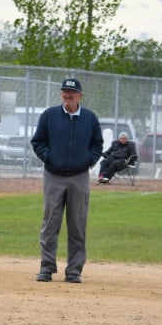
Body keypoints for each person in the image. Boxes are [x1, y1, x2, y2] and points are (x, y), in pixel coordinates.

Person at [29, 77, 103, 284]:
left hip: (79, 177)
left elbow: (97, 144)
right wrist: (49, 158)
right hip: (53, 176)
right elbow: (38, 142)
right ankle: (46, 268)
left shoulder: (89, 118)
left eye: (72, 92)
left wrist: (88, 160)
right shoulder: (49, 115)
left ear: (80, 95)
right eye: (64, 92)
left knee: (77, 224)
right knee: (50, 223)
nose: (68, 95)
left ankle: (74, 271)